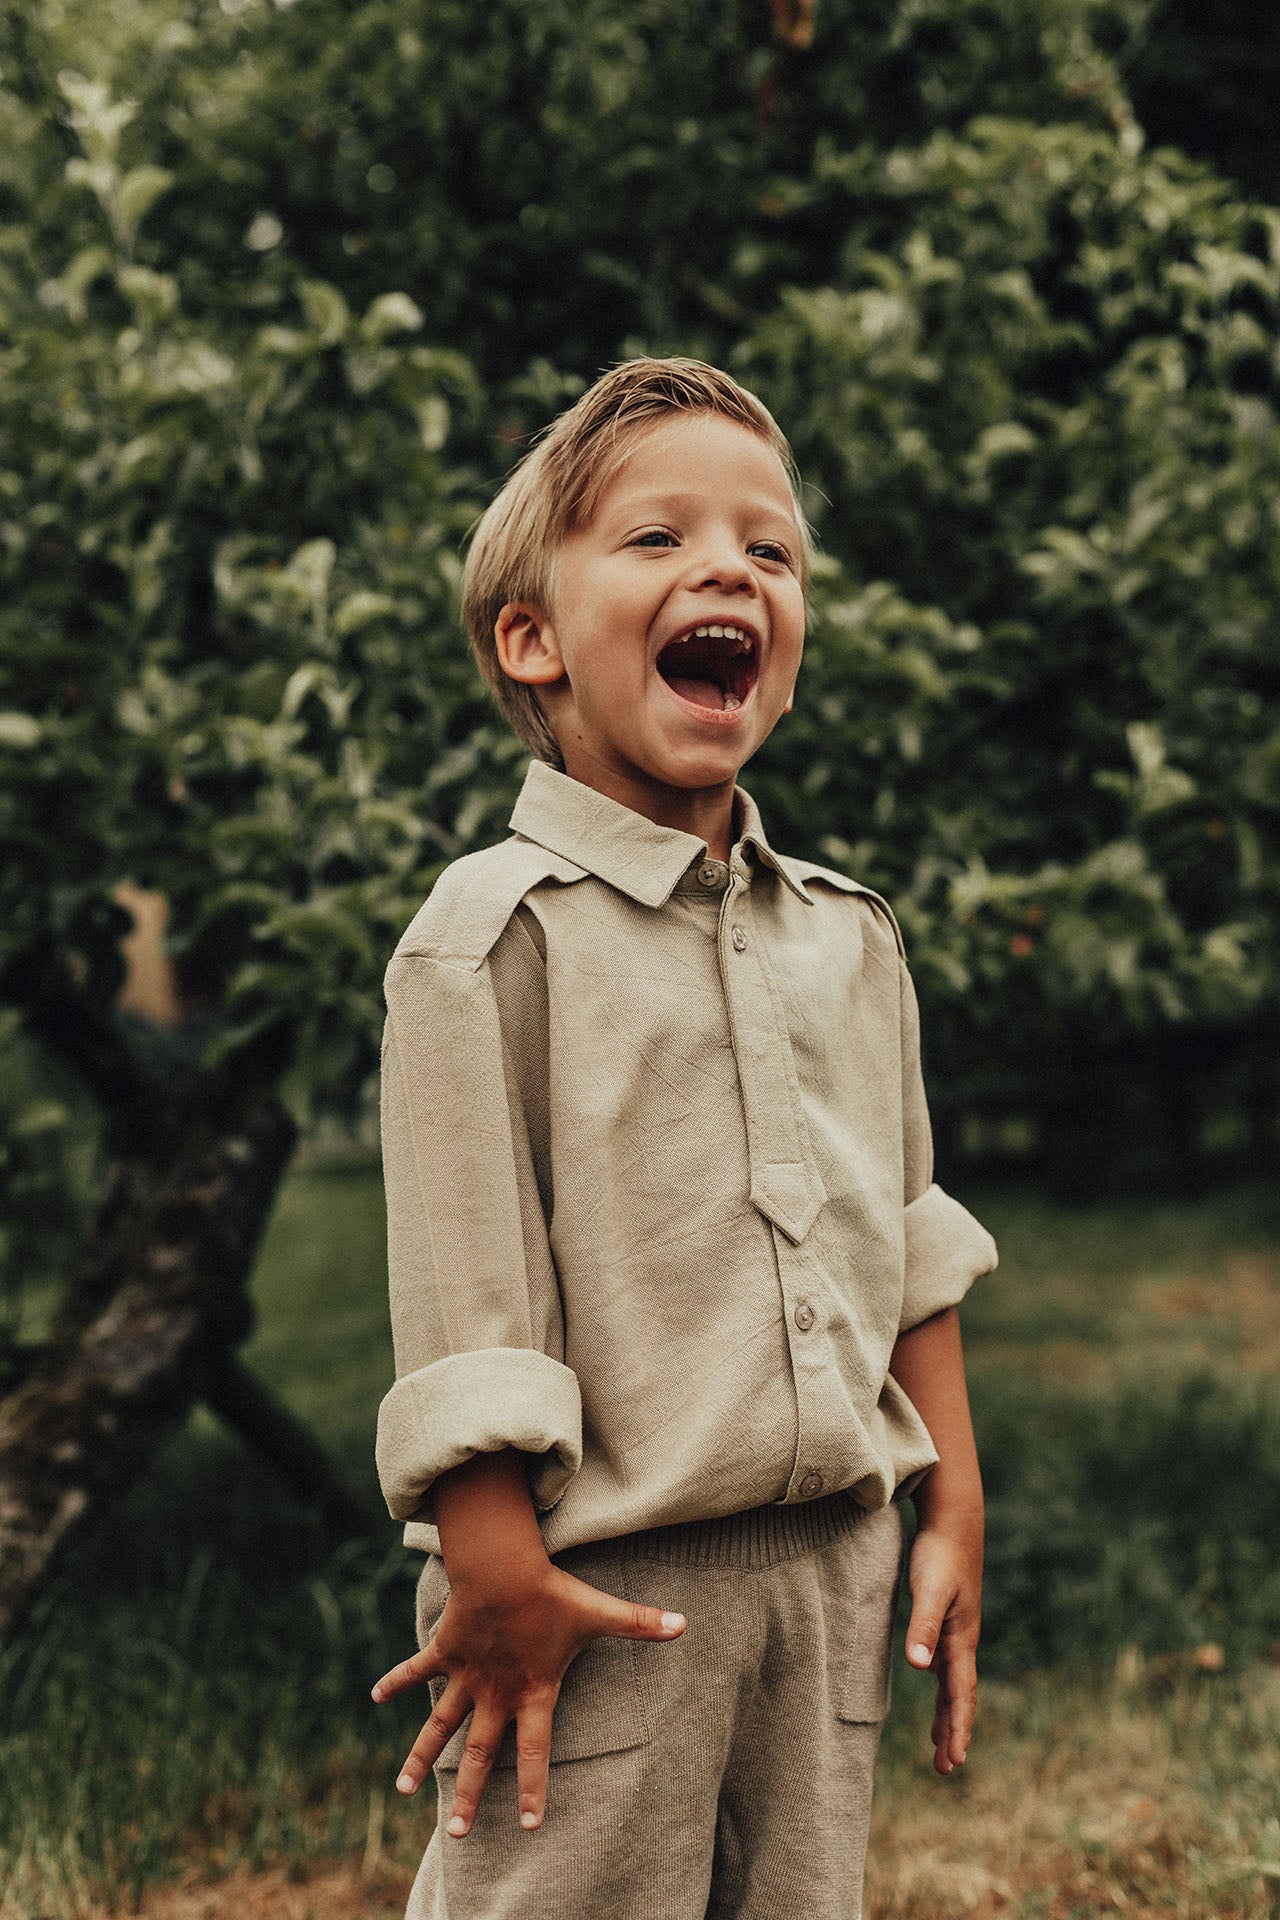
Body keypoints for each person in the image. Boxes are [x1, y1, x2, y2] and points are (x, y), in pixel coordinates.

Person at [370, 357, 997, 1920]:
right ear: (533, 638)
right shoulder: (488, 939)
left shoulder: (853, 938)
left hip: (829, 1581)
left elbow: (906, 1238)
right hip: (598, 1587)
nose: (728, 567)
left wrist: (954, 1494)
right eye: (655, 539)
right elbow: (469, 1290)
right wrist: (497, 1571)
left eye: (768, 551)